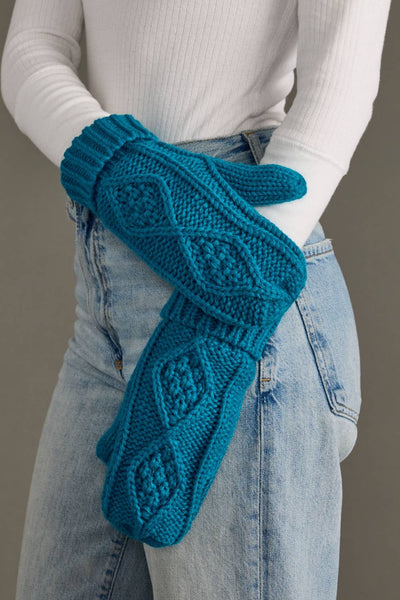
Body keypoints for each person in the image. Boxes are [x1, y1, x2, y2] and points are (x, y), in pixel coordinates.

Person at [0, 1, 391, 598]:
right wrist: (117, 163)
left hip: (244, 272)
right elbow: (32, 48)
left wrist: (233, 293)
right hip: (104, 282)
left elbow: (340, 86)